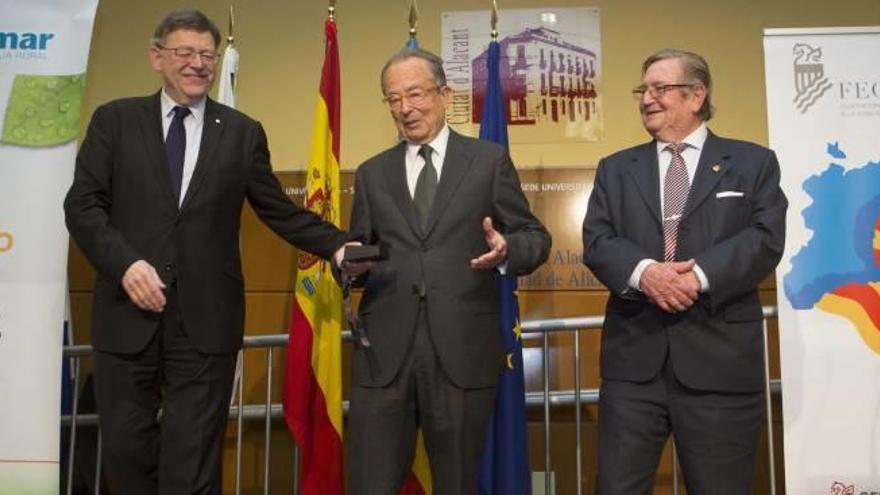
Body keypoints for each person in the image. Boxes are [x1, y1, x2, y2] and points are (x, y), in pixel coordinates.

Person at [64, 9, 356, 495]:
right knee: (125, 456)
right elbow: (83, 204)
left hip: (205, 325)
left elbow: (277, 210)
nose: (199, 64)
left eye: (207, 55)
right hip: (126, 313)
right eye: (185, 53)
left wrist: (340, 246)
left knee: (192, 461)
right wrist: (126, 264)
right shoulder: (115, 121)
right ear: (157, 57)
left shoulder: (241, 132)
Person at [342, 47, 550, 494]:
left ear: (444, 94)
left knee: (456, 482)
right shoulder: (373, 173)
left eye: (414, 94)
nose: (405, 108)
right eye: (393, 99)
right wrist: (348, 264)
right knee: (368, 483)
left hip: (462, 353)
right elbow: (362, 252)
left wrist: (507, 250)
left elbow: (535, 238)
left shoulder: (488, 161)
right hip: (384, 358)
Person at [582, 49, 787, 494]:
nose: (647, 99)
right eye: (643, 90)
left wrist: (698, 277)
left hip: (720, 368)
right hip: (634, 369)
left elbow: (765, 238)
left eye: (661, 88)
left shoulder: (753, 164)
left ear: (697, 95)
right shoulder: (615, 170)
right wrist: (645, 273)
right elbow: (597, 241)